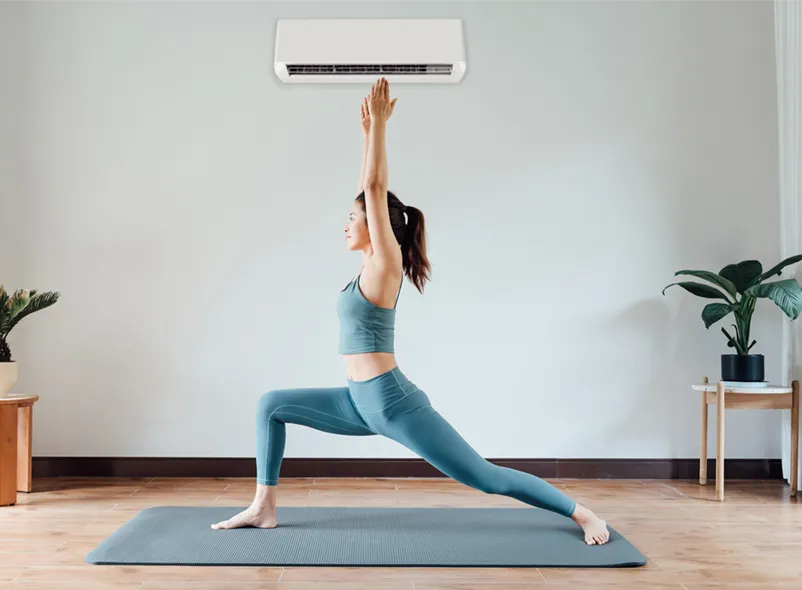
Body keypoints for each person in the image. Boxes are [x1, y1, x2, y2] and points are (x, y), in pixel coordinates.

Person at [212, 78, 610, 545]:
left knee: (485, 477)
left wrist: (377, 128)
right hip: (356, 401)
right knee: (271, 405)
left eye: (354, 217)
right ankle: (263, 507)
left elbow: (374, 186)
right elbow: (367, 190)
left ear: (379, 228)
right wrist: (366, 136)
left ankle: (583, 514)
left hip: (392, 403)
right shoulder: (363, 270)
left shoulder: (386, 265)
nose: (346, 223)